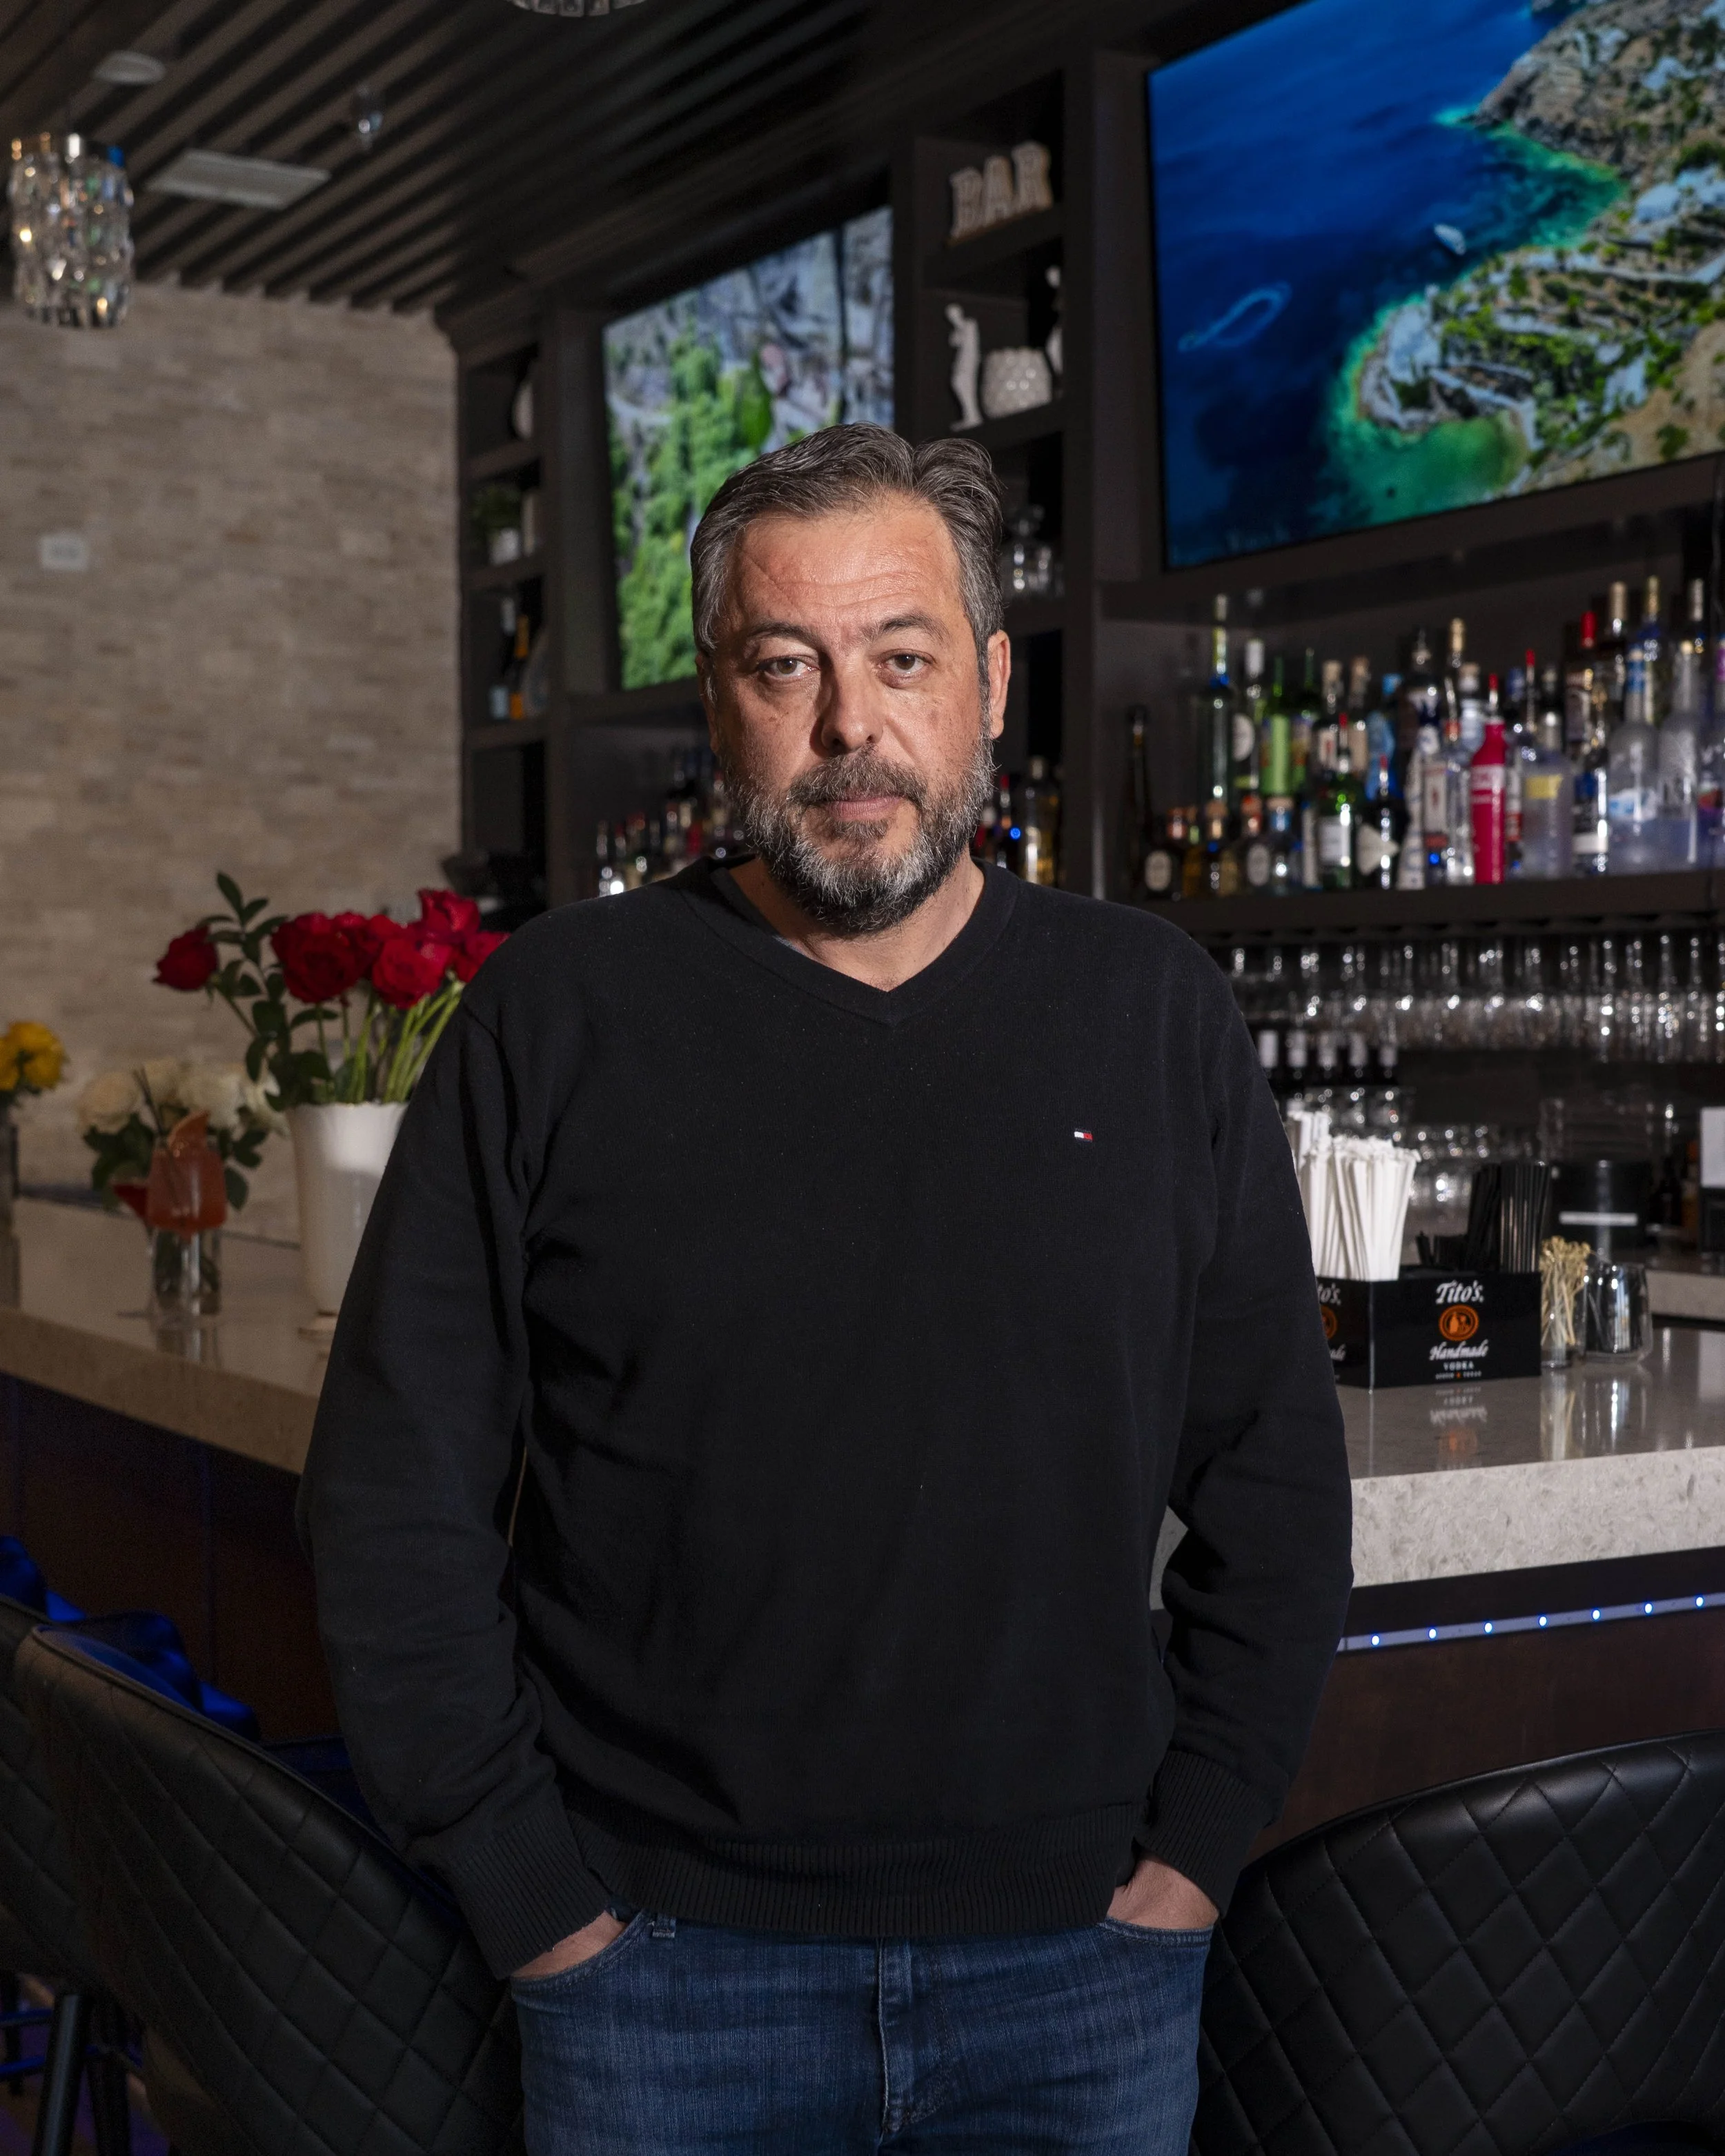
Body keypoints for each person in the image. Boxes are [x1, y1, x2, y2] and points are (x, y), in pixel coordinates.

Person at [299, 424, 1352, 2154]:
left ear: (991, 681)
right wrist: (535, 1902)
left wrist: (1189, 1857)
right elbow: (392, 1493)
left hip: (1082, 1966)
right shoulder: (557, 1015)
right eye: (785, 664)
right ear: (717, 697)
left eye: (902, 657)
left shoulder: (1151, 1009)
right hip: (655, 1981)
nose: (850, 724)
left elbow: (1275, 1482)